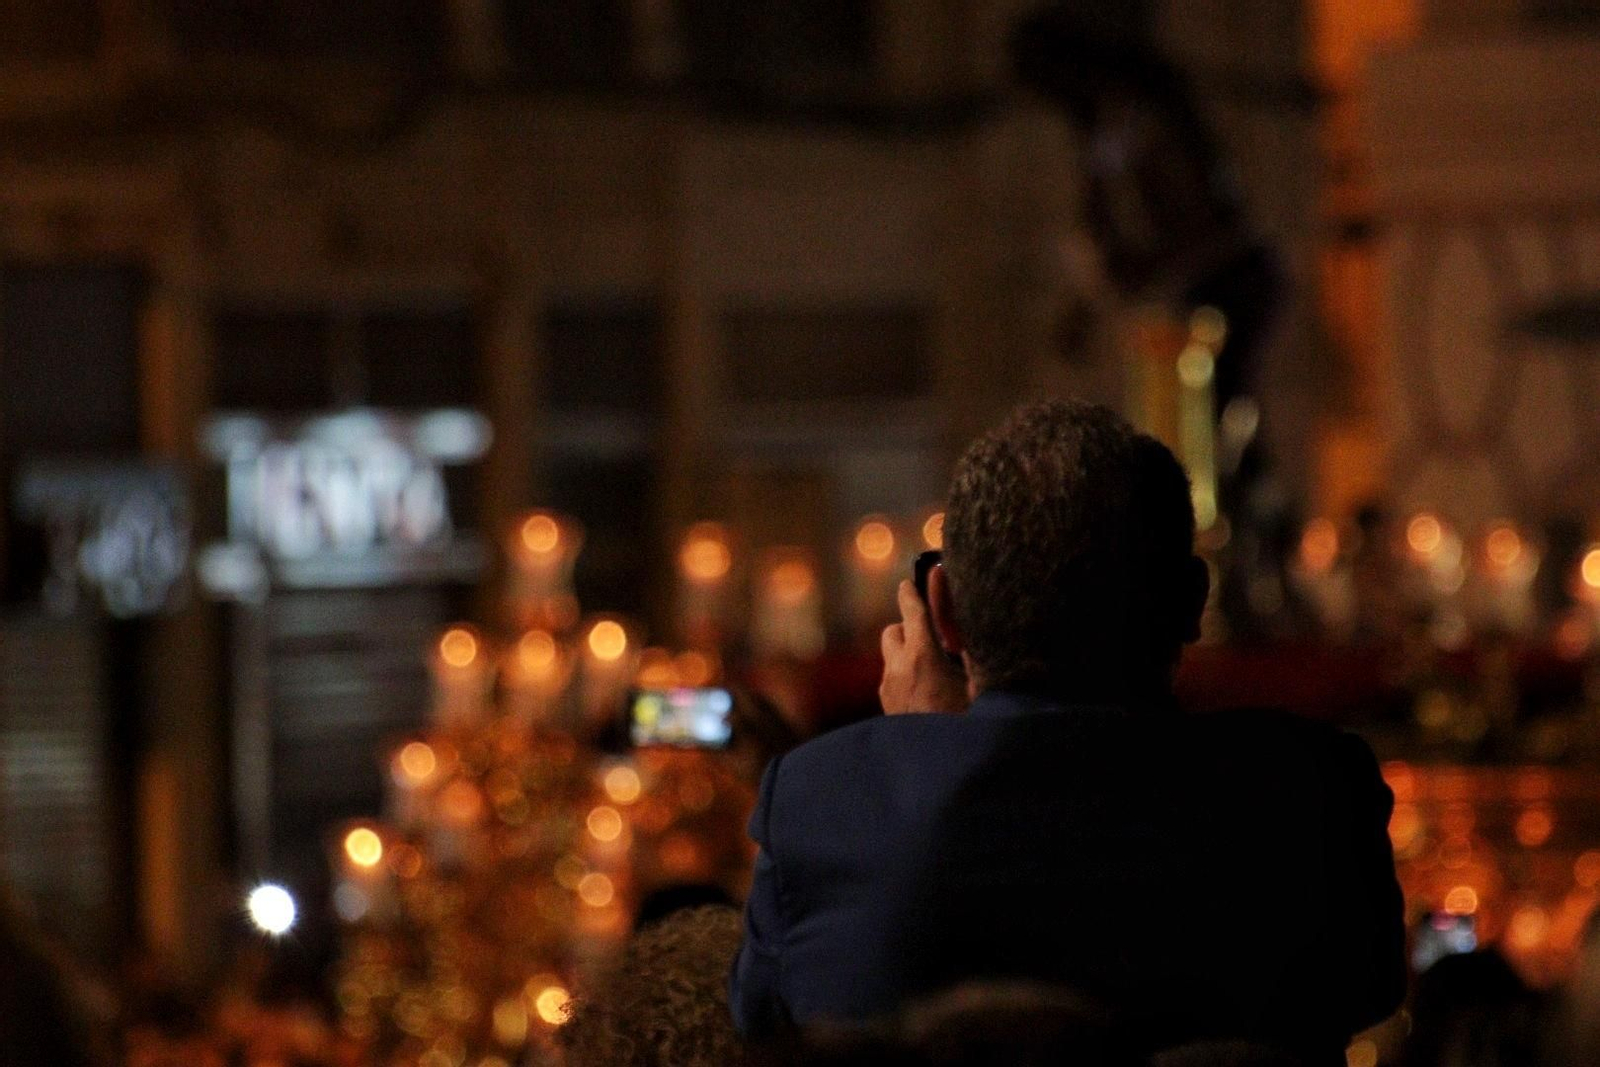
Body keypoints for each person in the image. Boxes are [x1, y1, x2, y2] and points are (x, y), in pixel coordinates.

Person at [729, 400, 1405, 1065]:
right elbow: (1372, 986)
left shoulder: (823, 802)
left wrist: (921, 752)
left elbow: (760, 1027)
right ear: (1193, 601)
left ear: (942, 612)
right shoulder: (1313, 790)